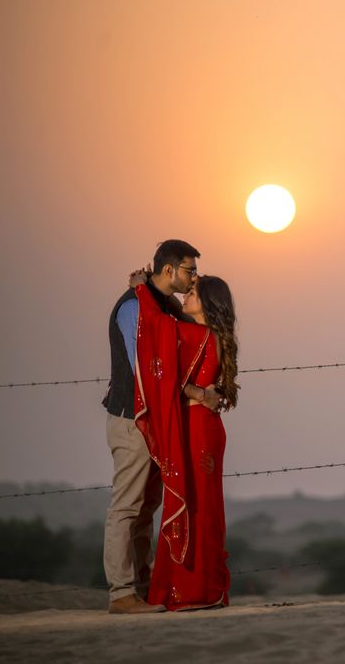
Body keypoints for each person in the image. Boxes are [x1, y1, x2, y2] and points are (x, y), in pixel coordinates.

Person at [102, 239, 219, 615]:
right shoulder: (134, 307)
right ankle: (121, 593)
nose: (193, 277)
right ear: (169, 270)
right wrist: (198, 391)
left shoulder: (159, 305)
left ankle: (141, 588)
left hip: (157, 420)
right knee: (127, 506)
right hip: (132, 419)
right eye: (189, 270)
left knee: (148, 507)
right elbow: (151, 371)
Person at [129, 268, 239, 611]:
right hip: (205, 426)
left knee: (193, 506)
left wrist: (142, 292)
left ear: (205, 302)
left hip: (196, 429)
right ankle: (204, 588)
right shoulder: (211, 334)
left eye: (191, 293)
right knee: (202, 506)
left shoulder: (198, 336)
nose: (183, 297)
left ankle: (192, 590)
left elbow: (159, 332)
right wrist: (201, 393)